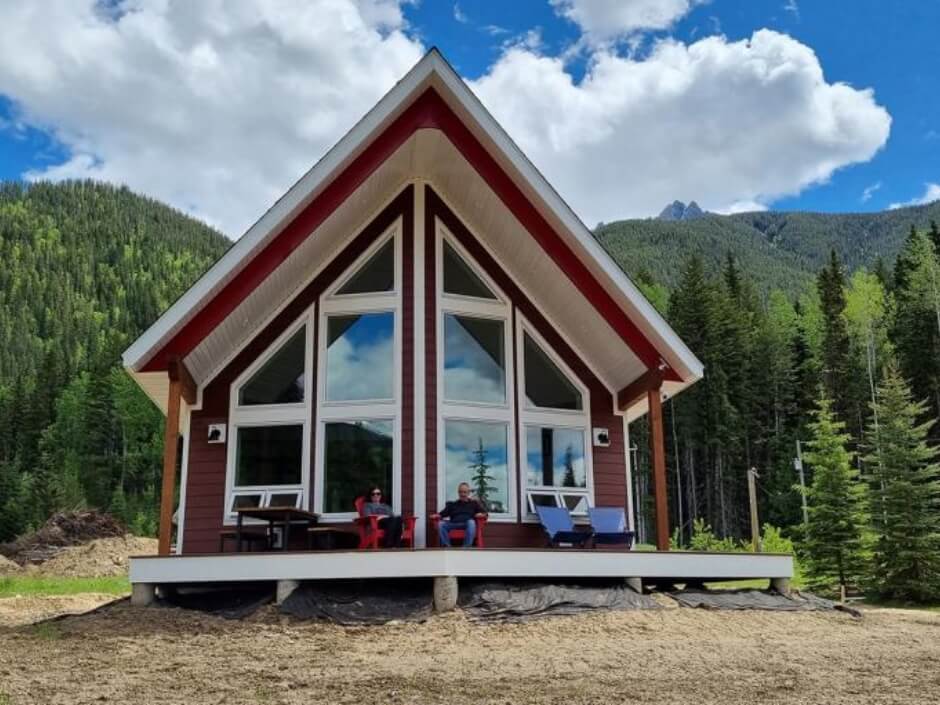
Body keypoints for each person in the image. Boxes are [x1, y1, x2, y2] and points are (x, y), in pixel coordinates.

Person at [437, 482, 487, 547]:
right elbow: (442, 514)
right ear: (458, 493)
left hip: (467, 524)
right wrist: (436, 516)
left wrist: (481, 514)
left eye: (464, 492)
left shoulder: (474, 504)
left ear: (468, 493)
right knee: (441, 524)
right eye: (460, 492)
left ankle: (466, 547)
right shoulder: (453, 504)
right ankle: (447, 546)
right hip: (454, 524)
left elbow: (485, 514)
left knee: (471, 522)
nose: (462, 494)